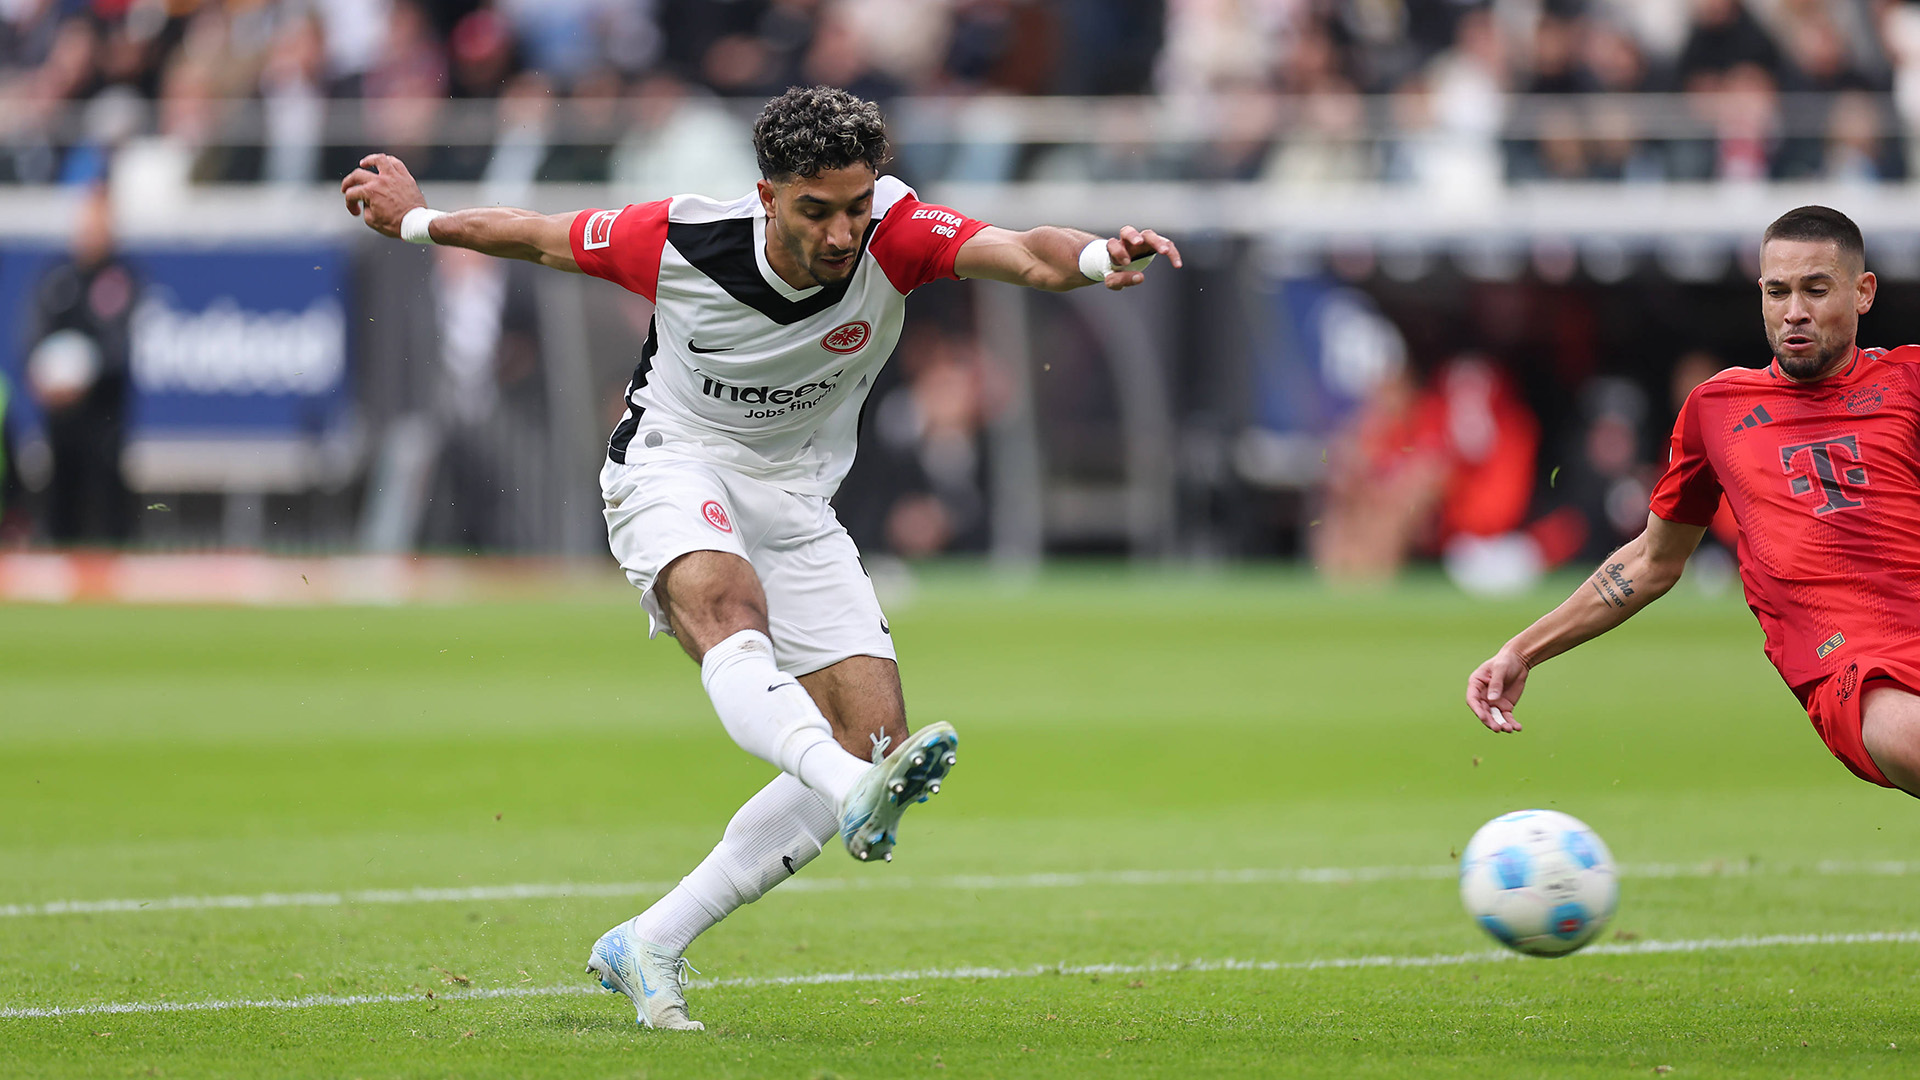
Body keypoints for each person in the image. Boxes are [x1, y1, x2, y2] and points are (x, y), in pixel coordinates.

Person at [340, 85, 1180, 1031]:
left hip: (795, 500)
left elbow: (1026, 252)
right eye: (816, 209)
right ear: (767, 195)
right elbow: (534, 234)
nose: (840, 233)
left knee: (877, 738)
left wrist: (1104, 255)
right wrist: (414, 218)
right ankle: (847, 789)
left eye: (855, 207)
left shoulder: (896, 231)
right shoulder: (681, 238)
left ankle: (650, 940)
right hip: (672, 461)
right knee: (731, 617)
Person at [1465, 205, 1920, 801]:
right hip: (1857, 670)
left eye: (1816, 289)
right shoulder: (1717, 409)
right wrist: (1522, 650)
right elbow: (1653, 560)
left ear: (1863, 293)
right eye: (1777, 291)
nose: (1794, 312)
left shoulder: (1907, 381)